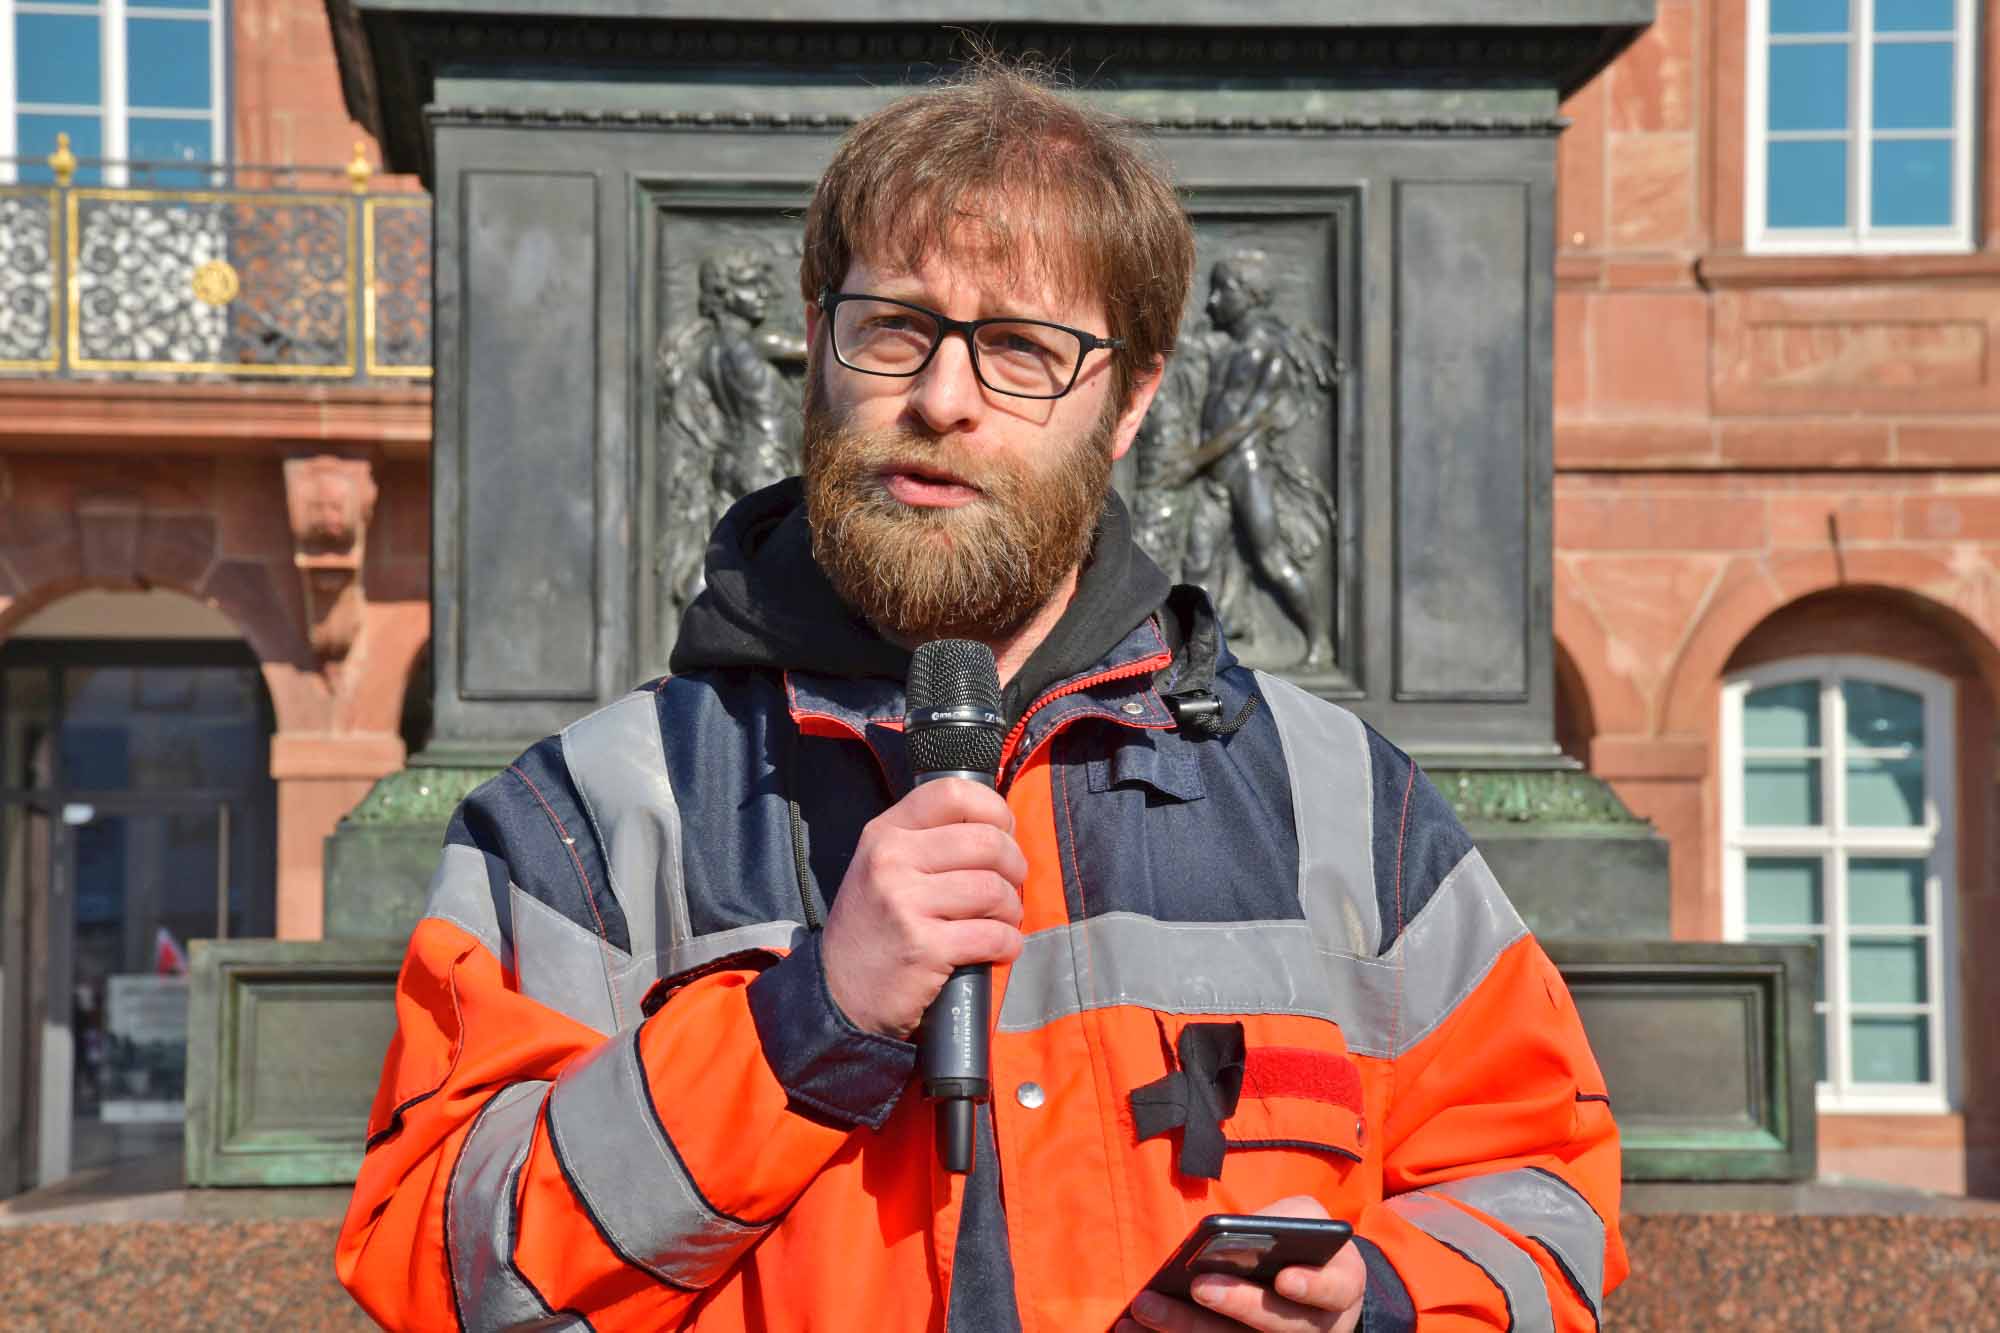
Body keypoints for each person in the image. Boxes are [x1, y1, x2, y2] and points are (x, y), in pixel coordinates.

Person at [337, 64, 1625, 1333]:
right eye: (893, 326)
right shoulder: (587, 815)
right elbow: (433, 1267)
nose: (940, 400)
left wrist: (1376, 1306)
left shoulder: (1347, 803)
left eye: (1020, 349)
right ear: (818, 344)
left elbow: (1546, 1205)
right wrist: (804, 1022)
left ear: (1131, 401)